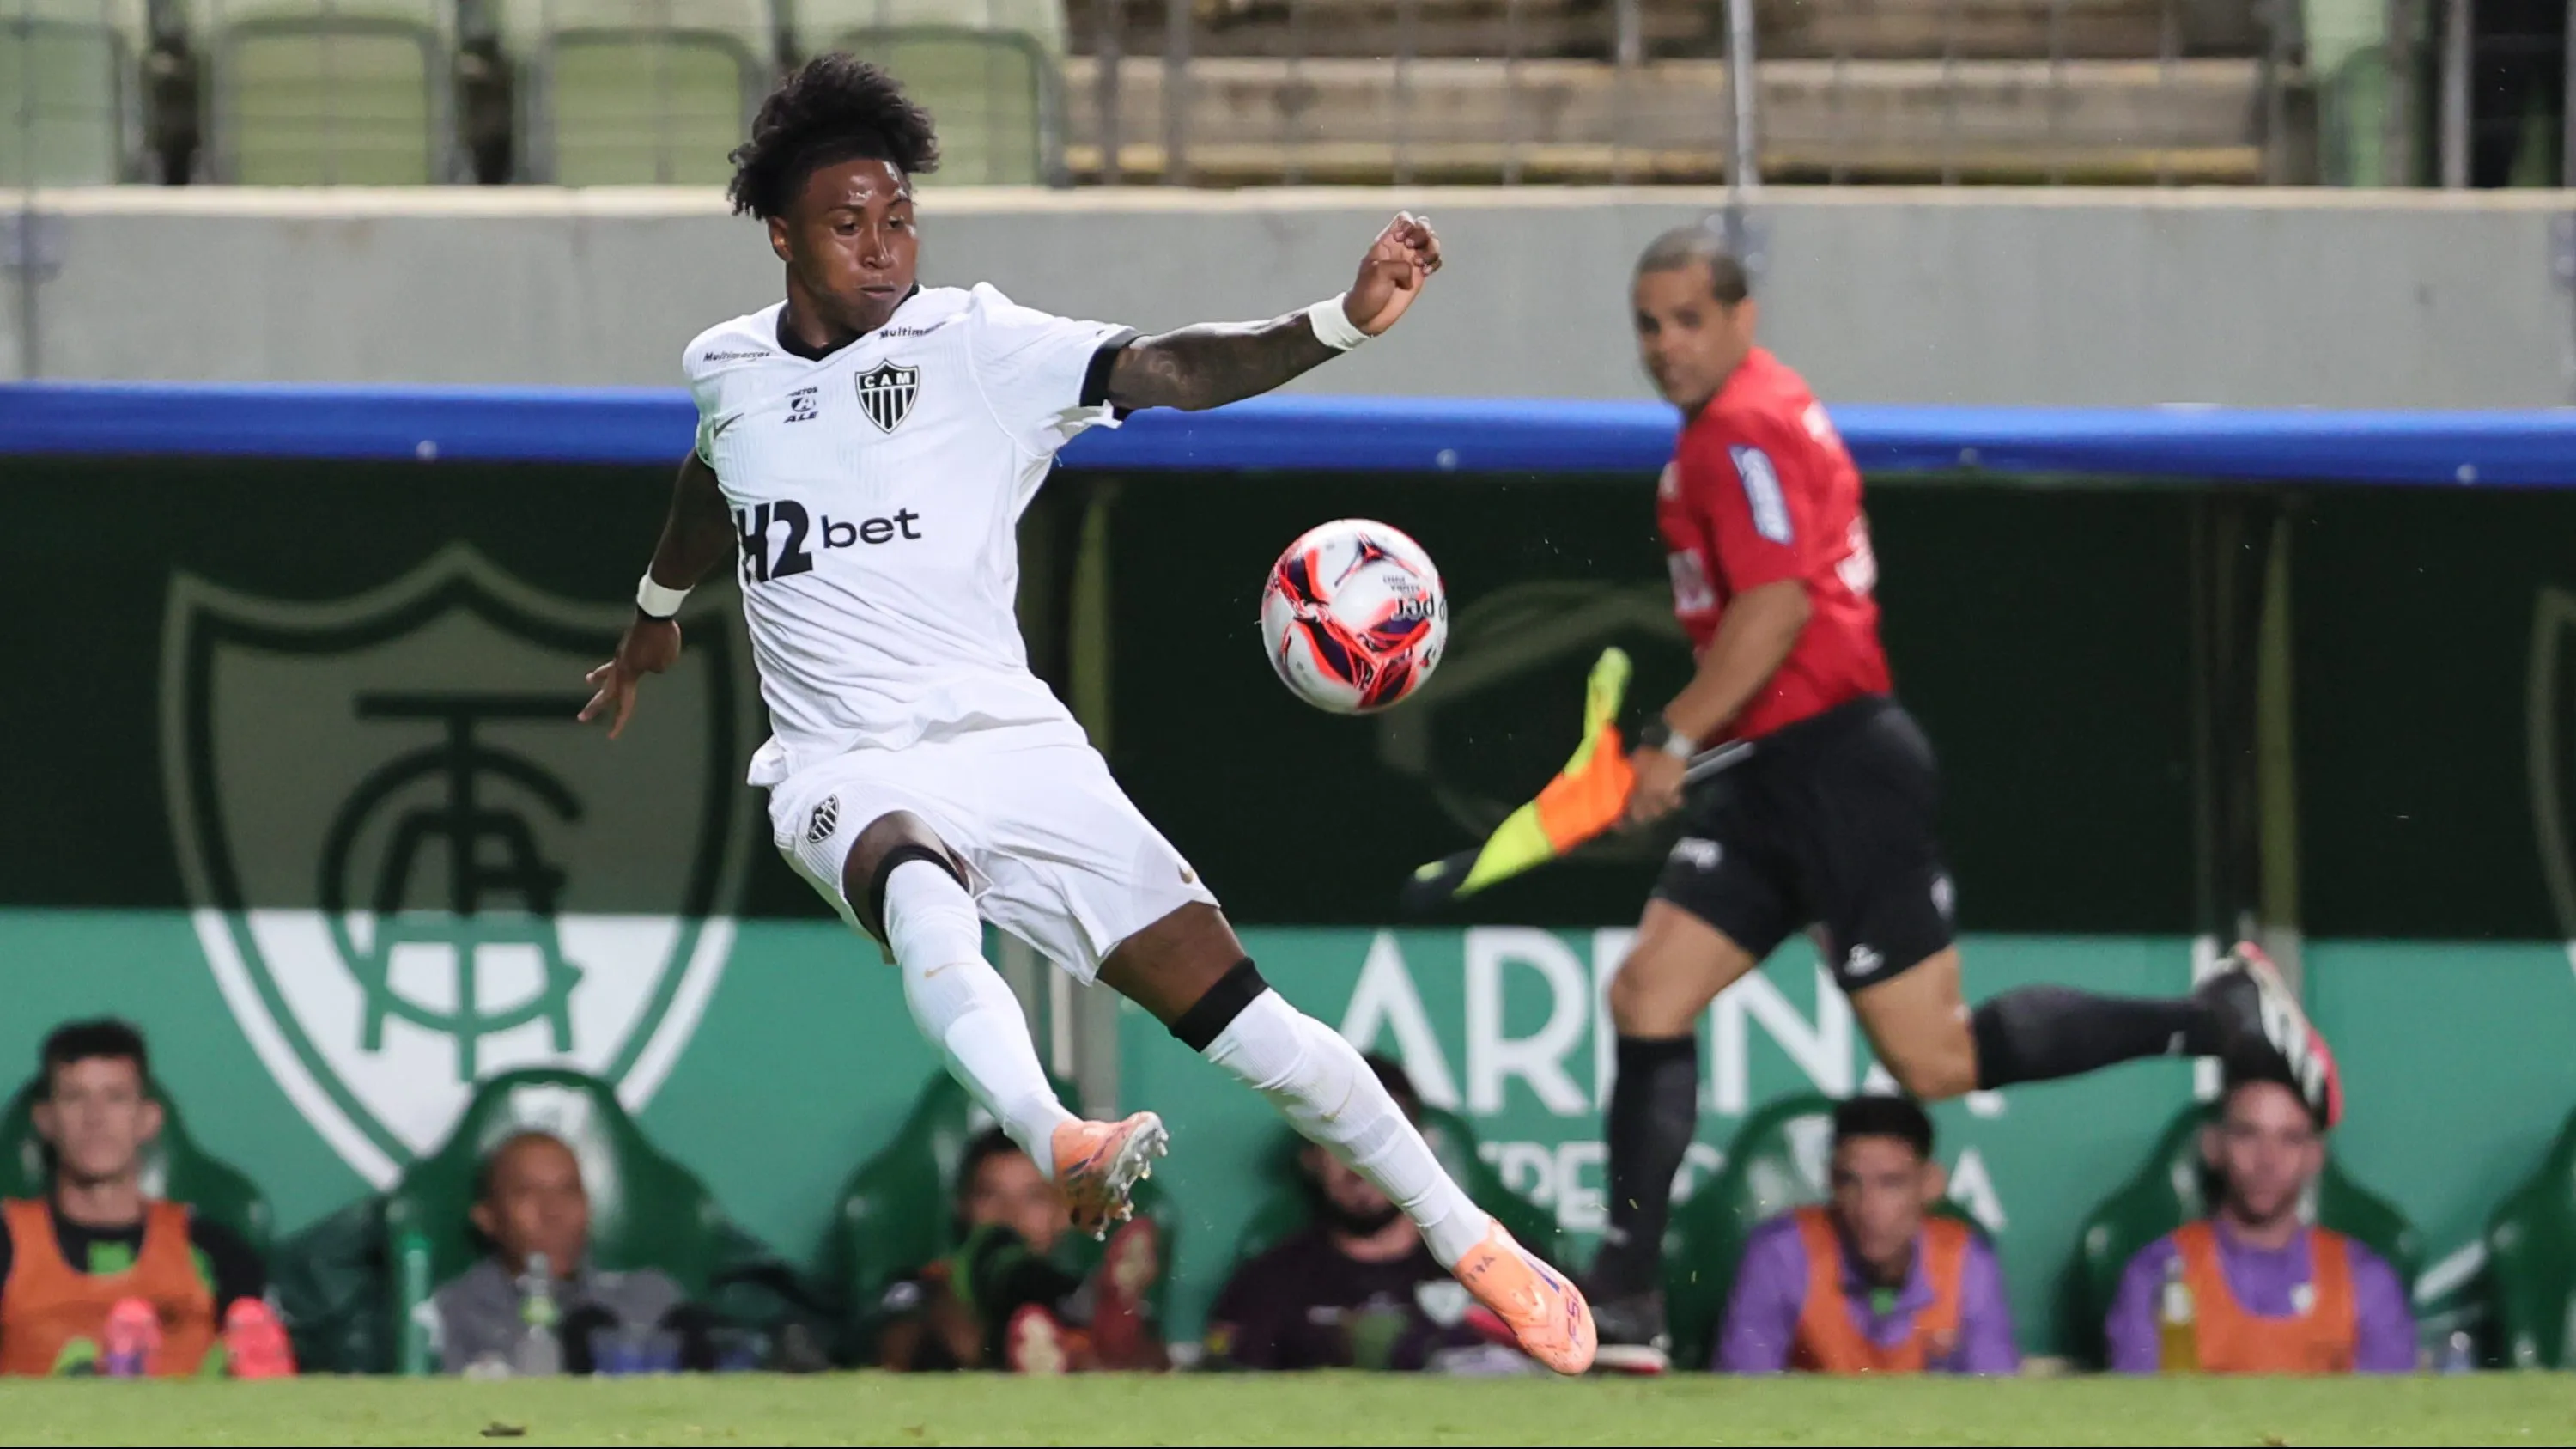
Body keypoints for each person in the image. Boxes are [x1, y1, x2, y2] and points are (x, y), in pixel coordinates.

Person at [576, 54, 1590, 1373]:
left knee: (1258, 1031)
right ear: (779, 233)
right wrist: (659, 606)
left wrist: (1336, 323)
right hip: (839, 763)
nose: (883, 248)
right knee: (913, 883)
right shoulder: (725, 366)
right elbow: (714, 472)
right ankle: (1055, 1129)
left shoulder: (978, 347)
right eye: (847, 223)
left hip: (1015, 748)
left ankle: (1471, 1239)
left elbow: (1165, 363)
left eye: (900, 219)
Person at [1583, 226, 2344, 1370]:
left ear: (1742, 318)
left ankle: (2219, 1015)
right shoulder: (1746, 417)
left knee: (1931, 1061)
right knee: (1648, 992)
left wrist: (1669, 739)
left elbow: (1777, 609)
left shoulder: (1740, 426)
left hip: (1835, 763)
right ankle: (1626, 1299)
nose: (1664, 346)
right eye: (1647, 324)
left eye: (1688, 320)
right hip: (1775, 767)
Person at [0, 1020, 284, 1378]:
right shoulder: (7, 1241)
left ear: (148, 1119)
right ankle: (99, 1373)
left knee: (241, 1345)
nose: (96, 1119)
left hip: (190, 1430)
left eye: (116, 1098)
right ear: (46, 1120)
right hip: (45, 1430)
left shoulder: (212, 1247)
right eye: (74, 1098)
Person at [1206, 1055, 1507, 1373]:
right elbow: (1225, 1383)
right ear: (1310, 1156)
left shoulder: (1493, 1264)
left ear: (1422, 1151)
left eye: (1382, 1138)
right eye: (1337, 1138)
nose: (1362, 1161)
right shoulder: (1269, 1283)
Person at [2105, 1075, 2415, 1374]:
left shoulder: (2366, 1280)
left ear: (2314, 1156)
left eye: (2290, 1139)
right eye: (2247, 1134)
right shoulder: (2156, 1274)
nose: (2268, 1160)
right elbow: (2142, 1408)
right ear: (2213, 1146)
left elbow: (2390, 1414)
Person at [1713, 1096, 2016, 1375]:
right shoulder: (1782, 1253)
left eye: (1891, 1183)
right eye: (1850, 1182)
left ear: (1930, 1184)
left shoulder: (1965, 1258)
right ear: (1831, 1180)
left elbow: (1997, 1394)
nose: (1868, 1208)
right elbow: (1744, 1387)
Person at [877, 1128, 1164, 1373]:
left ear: (1064, 1214)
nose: (1010, 1214)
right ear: (963, 1207)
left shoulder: (1077, 1296)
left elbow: (1160, 1368)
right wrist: (965, 1302)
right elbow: (888, 1350)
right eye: (990, 1195)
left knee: (1108, 1344)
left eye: (1033, 1198)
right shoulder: (924, 1285)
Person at [431, 1131, 716, 1375]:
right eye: (527, 1193)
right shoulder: (453, 1314)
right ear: (487, 1217)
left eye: (568, 1191)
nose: (553, 1212)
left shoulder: (650, 1299)